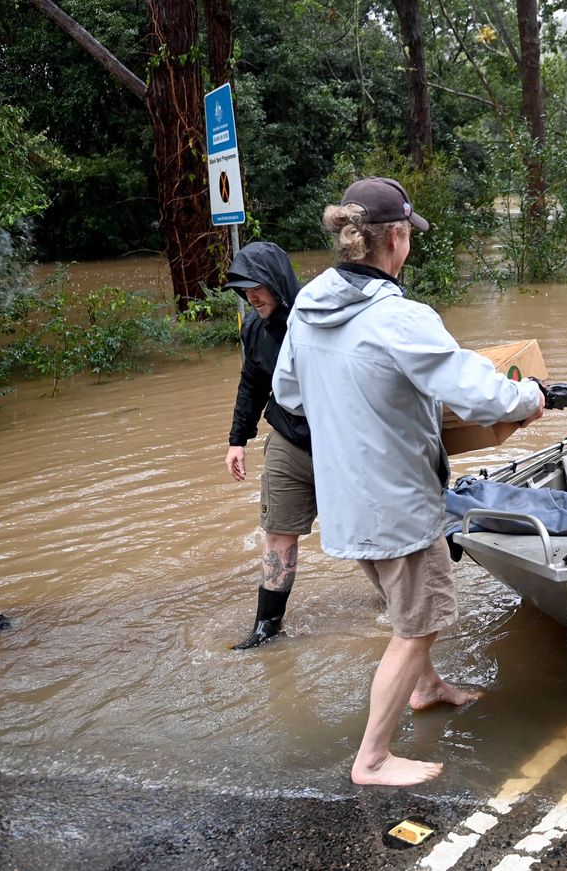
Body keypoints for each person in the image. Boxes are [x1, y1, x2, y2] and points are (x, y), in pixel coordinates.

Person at [272, 176, 545, 787]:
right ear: (394, 238)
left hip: (342, 500)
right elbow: (477, 394)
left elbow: (288, 394)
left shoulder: (308, 307)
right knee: (419, 622)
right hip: (397, 502)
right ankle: (371, 758)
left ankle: (428, 688)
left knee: (407, 609)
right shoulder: (400, 316)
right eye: (408, 236)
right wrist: (531, 395)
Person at [222, 241, 313, 651]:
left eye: (256, 287)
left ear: (277, 282)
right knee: (277, 533)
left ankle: (394, 607)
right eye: (244, 291)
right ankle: (267, 628)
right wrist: (237, 440)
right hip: (287, 440)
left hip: (339, 443)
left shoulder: (316, 320)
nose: (251, 298)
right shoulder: (254, 328)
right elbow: (252, 382)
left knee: (369, 534)